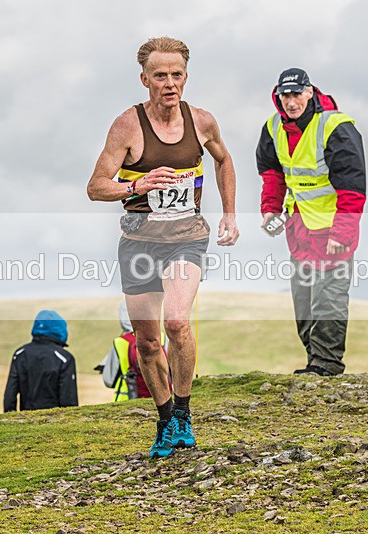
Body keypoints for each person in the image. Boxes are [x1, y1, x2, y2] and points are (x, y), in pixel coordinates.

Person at [87, 36, 239, 458]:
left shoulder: (202, 121)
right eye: (160, 76)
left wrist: (229, 213)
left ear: (186, 77)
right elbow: (95, 187)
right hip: (138, 242)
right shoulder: (127, 126)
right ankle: (165, 418)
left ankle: (184, 413)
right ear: (144, 80)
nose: (169, 83)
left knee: (176, 321)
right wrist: (136, 185)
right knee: (148, 341)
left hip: (186, 238)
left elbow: (224, 160)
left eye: (176, 74)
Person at [256, 68, 366, 376]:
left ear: (309, 92)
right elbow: (273, 175)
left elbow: (353, 187)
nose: (291, 102)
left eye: (297, 95)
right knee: (303, 305)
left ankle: (327, 364)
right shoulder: (273, 128)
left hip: (333, 232)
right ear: (278, 96)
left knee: (328, 301)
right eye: (285, 96)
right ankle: (314, 362)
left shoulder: (336, 127)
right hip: (299, 232)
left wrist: (342, 232)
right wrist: (270, 210)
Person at [3, 310, 78, 412]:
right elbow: (68, 399)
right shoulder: (64, 358)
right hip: (54, 419)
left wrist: (10, 418)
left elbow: (10, 394)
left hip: (25, 418)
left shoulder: (20, 354)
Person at [96, 301, 168, 402]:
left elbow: (109, 381)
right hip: (162, 398)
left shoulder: (119, 342)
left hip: (126, 399)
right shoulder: (162, 338)